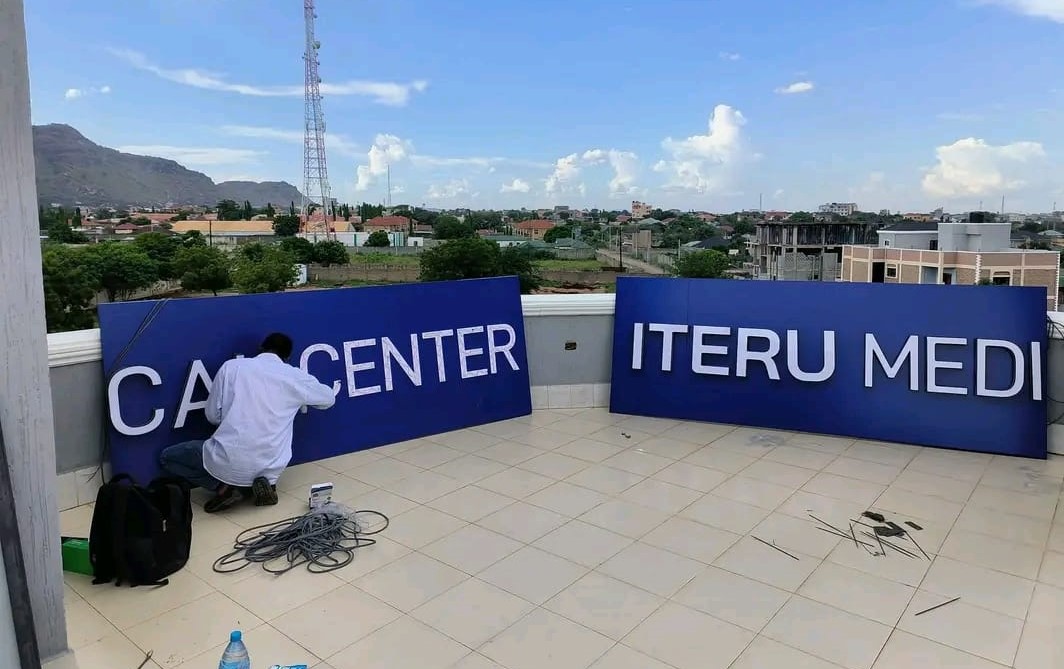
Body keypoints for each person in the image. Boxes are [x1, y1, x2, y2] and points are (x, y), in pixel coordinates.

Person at [159, 333, 336, 513]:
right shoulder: (295, 376)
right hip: (271, 466)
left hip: (226, 459)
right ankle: (260, 485)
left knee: (167, 457)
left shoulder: (231, 367)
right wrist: (298, 399)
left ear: (261, 348)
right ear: (287, 357)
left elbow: (212, 415)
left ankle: (224, 488)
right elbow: (328, 399)